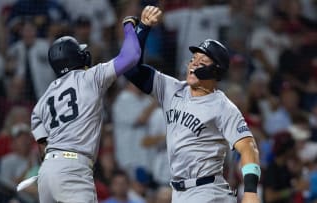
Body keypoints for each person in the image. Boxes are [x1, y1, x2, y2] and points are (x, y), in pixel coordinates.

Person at [123, 6, 261, 203]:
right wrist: (143, 29)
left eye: (202, 61)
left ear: (216, 71)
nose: (194, 64)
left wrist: (250, 192)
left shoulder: (222, 107)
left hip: (207, 191)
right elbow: (131, 69)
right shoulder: (171, 88)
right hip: (178, 192)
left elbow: (248, 148)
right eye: (193, 59)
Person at [30, 14, 141, 203]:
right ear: (77, 57)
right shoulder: (90, 77)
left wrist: (46, 148)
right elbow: (131, 56)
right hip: (74, 169)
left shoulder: (49, 92)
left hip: (47, 172)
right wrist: (129, 26)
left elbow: (35, 118)